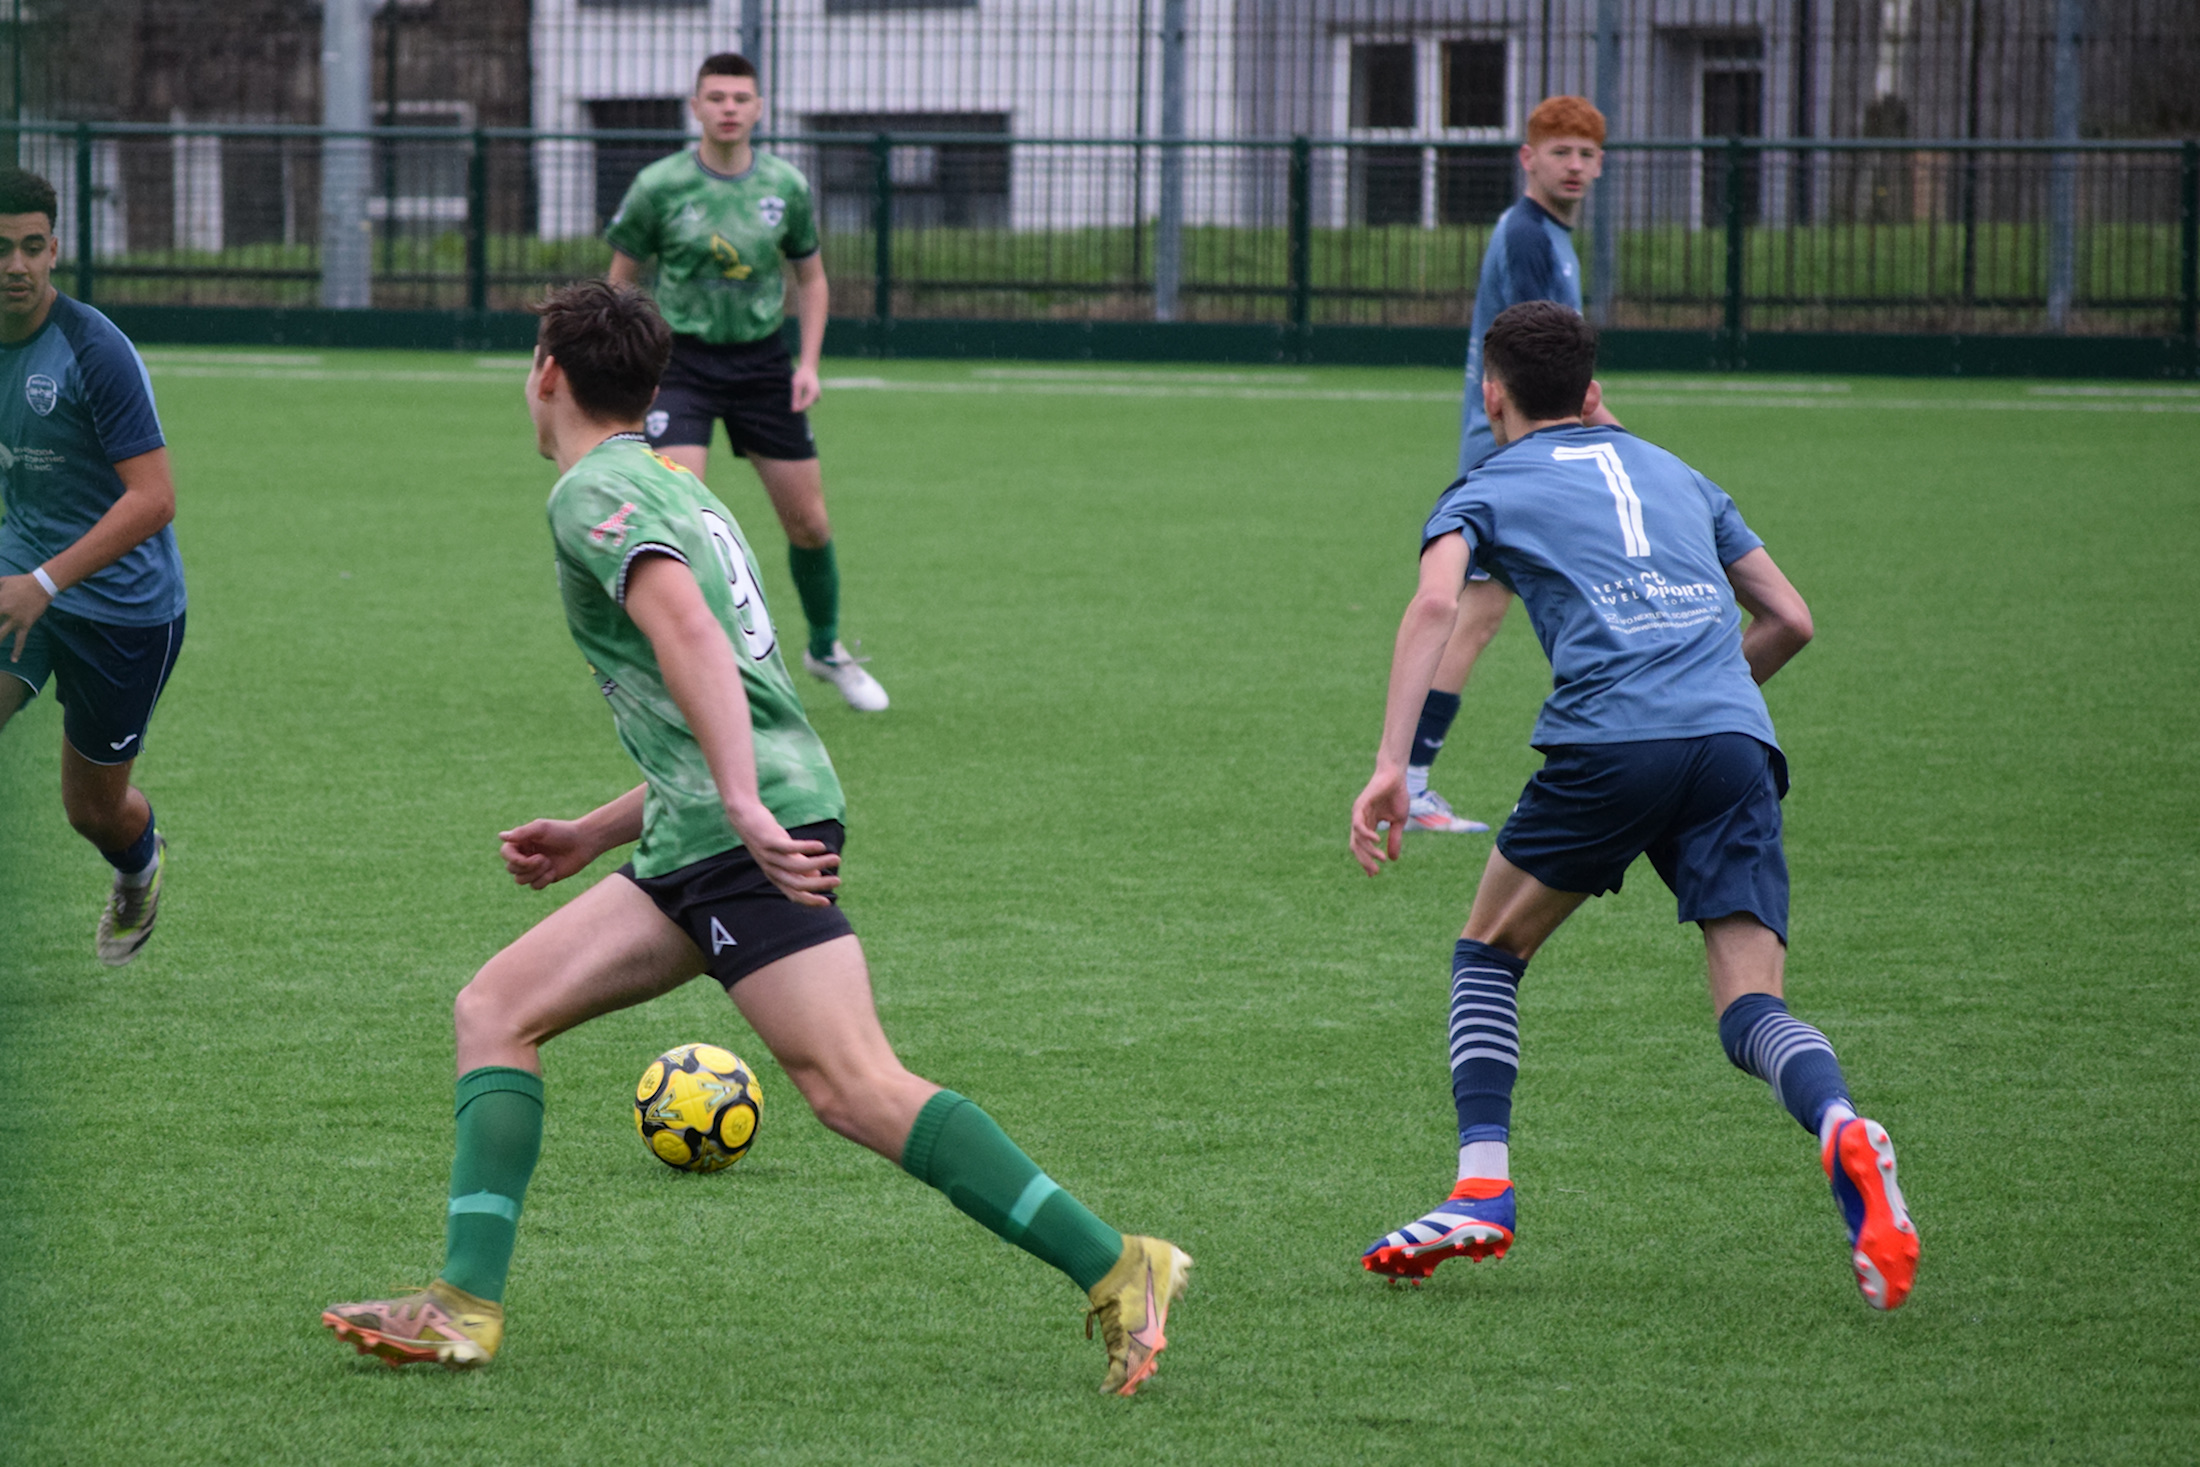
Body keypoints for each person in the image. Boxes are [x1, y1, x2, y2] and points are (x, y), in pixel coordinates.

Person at [321, 282, 1190, 1393]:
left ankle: (1121, 1265)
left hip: (743, 830)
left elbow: (688, 630)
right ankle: (460, 1307)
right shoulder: (681, 485)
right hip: (702, 830)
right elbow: (736, 696)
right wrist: (600, 831)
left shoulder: (594, 490)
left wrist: (737, 805)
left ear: (547, 373)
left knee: (851, 1085)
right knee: (496, 1008)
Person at [1348, 302, 1918, 1312]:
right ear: (1593, 390)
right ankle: (1838, 1121)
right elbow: (1789, 619)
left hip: (1609, 744)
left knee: (1488, 952)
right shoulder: (1676, 470)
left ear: (1493, 395)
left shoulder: (1482, 484)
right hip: (1736, 745)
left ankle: (1481, 1186)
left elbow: (1438, 604)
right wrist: (1702, 702)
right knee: (1750, 1008)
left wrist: (1393, 764)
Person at [606, 51, 886, 713]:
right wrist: (627, 364)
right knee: (683, 521)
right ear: (696, 107)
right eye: (717, 96)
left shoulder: (785, 186)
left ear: (758, 109)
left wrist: (808, 363)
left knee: (810, 523)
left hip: (763, 364)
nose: (729, 107)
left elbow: (811, 279)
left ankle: (825, 648)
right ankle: (690, 661)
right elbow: (620, 281)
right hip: (681, 368)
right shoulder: (659, 185)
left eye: (741, 97)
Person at [1404, 96, 1621, 835]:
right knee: (1477, 615)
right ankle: (1407, 781)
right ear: (1527, 158)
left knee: (1488, 614)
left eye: (1587, 154)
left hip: (1527, 444)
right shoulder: (1530, 236)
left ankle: (1412, 779)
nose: (1575, 166)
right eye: (1560, 152)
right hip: (1514, 447)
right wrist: (1620, 440)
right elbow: (1543, 363)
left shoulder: (1548, 236)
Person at [0, 166, 183, 966]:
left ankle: (140, 866)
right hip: (21, 569)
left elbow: (154, 498)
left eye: (31, 247)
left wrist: (46, 582)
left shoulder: (92, 349)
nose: (15, 265)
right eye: (1, 249)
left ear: (55, 250)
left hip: (124, 606)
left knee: (94, 811)